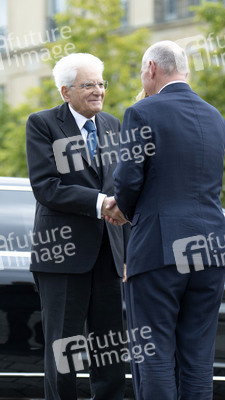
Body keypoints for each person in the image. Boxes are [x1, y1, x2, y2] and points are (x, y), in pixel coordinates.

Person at [108, 41, 225, 400]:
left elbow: (128, 180)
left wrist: (122, 210)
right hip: (211, 249)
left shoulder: (142, 112)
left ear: (151, 68)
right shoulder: (215, 116)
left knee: (155, 355)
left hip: (160, 249)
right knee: (198, 359)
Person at [26, 53, 128, 400]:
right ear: (65, 91)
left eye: (101, 83)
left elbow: (122, 187)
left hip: (110, 258)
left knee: (110, 349)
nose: (98, 91)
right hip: (63, 255)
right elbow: (46, 186)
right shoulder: (42, 124)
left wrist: (127, 253)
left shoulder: (114, 125)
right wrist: (102, 203)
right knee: (64, 352)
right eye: (89, 85)